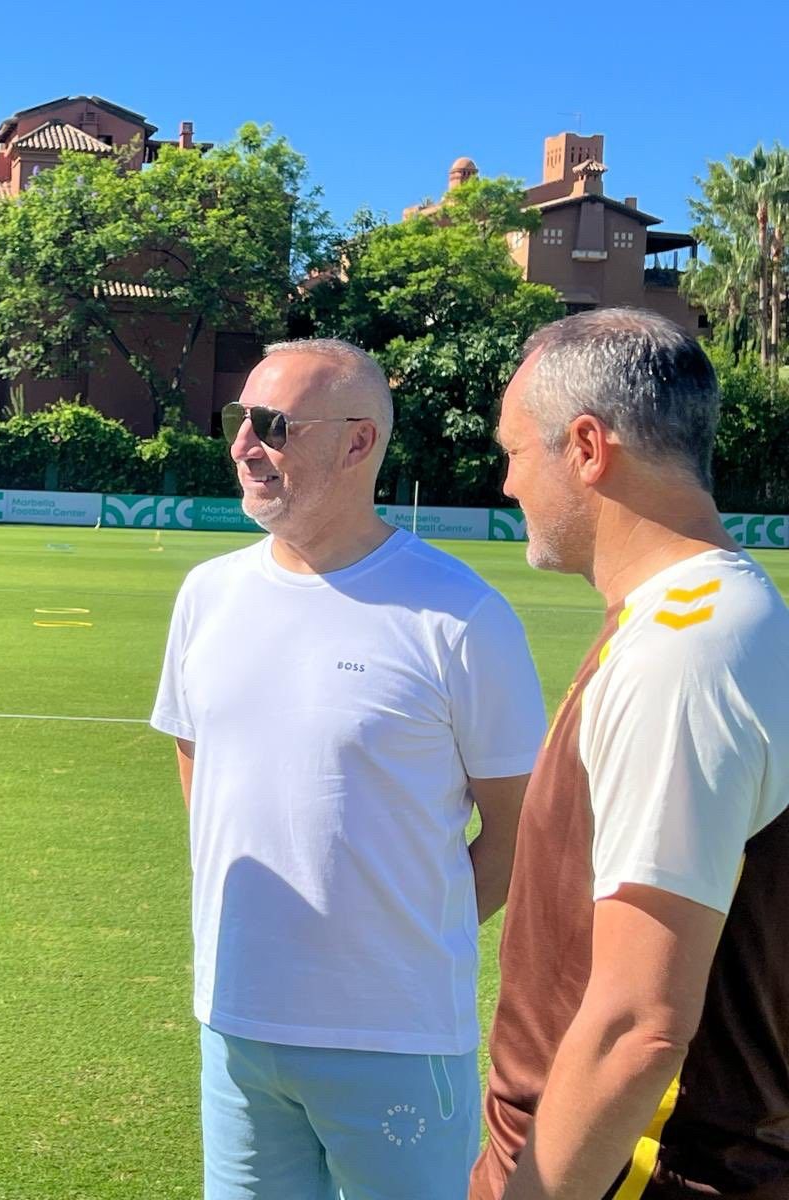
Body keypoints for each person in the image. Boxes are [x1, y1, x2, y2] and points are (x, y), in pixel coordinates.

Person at [150, 338, 546, 1200]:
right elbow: (198, 764)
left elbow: (522, 830)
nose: (242, 445)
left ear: (358, 441)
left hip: (395, 1036)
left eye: (272, 425)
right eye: (238, 420)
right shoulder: (207, 596)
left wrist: (406, 929)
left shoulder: (460, 615)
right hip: (237, 1024)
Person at [472, 309, 789, 1200]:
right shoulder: (692, 623)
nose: (507, 482)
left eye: (515, 452)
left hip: (639, 1178)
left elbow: (636, 1027)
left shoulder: (686, 653)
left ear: (586, 447)